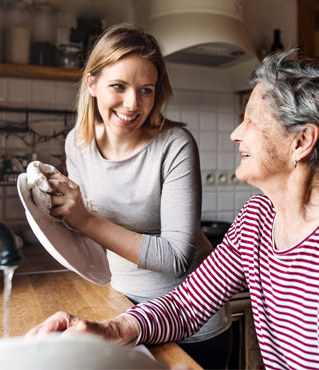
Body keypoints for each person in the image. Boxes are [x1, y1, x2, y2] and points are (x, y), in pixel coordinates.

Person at [28, 49, 319, 369]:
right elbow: (187, 303)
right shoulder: (259, 217)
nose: (236, 134)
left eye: (251, 121)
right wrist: (110, 329)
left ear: (301, 142)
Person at [43, 24, 232, 369]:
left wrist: (84, 218)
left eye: (146, 90)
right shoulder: (78, 144)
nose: (133, 104)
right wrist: (53, 209)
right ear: (92, 83)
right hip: (122, 310)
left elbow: (176, 257)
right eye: (119, 86)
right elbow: (89, 239)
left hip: (191, 324)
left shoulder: (175, 146)